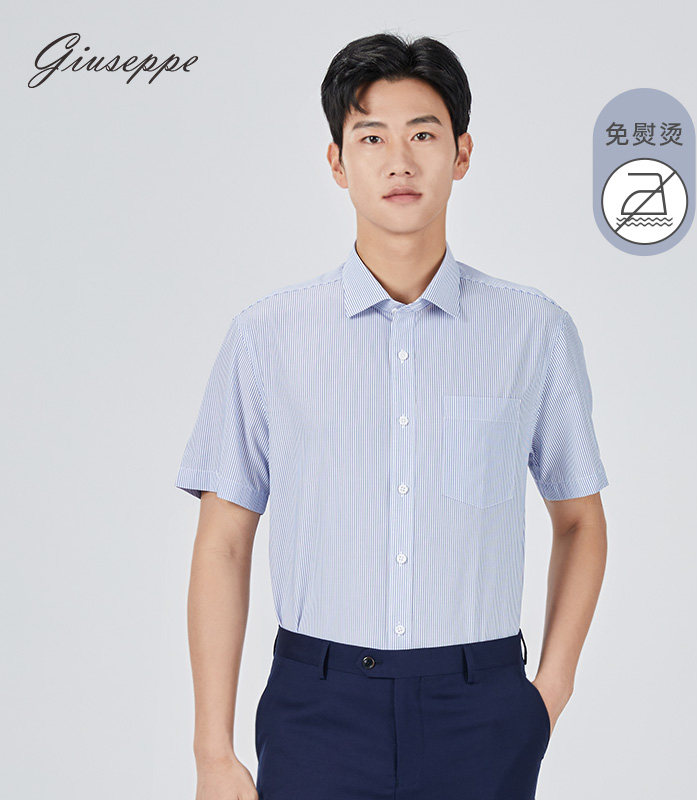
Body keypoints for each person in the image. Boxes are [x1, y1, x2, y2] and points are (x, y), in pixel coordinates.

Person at [176, 32, 609, 800]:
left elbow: (580, 520)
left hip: (481, 708)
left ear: (462, 153)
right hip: (317, 706)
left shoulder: (532, 331)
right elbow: (224, 543)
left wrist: (547, 695)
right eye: (371, 137)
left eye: (423, 135)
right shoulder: (268, 338)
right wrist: (213, 750)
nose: (399, 161)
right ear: (337, 162)